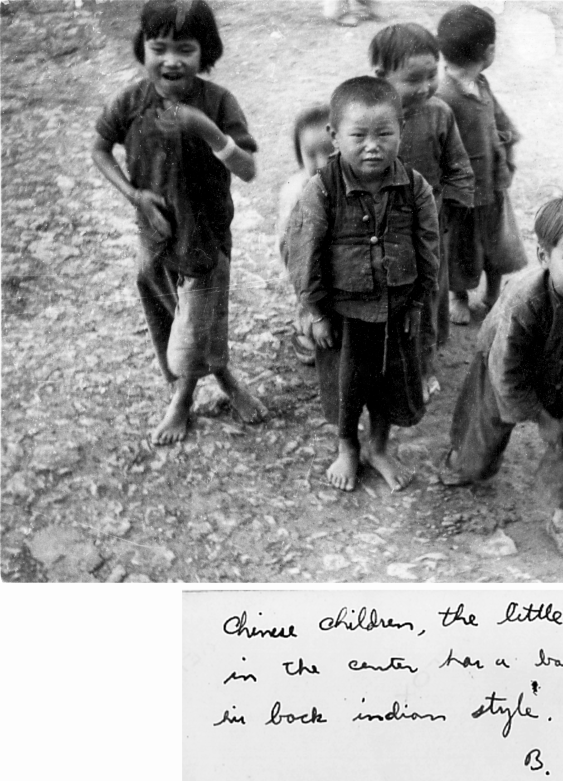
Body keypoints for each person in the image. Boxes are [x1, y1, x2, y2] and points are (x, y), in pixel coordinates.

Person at [92, 0, 266, 446]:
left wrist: (204, 128)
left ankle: (182, 400)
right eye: (159, 47)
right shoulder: (130, 101)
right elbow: (99, 148)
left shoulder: (218, 102)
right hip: (153, 237)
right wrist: (134, 195)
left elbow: (247, 169)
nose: (171, 60)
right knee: (171, 319)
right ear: (142, 49)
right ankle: (224, 377)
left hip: (206, 239)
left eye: (185, 49)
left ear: (204, 54)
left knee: (194, 327)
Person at [440, 194, 563, 569]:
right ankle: (463, 460)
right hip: (506, 364)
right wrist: (542, 416)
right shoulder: (525, 301)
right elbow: (506, 371)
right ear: (545, 258)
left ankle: (562, 519)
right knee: (479, 442)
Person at [287, 77, 440, 493]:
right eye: (359, 136)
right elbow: (303, 253)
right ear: (335, 137)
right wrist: (314, 311)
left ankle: (378, 446)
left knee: (390, 384)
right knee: (346, 387)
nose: (372, 146)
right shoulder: (320, 189)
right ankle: (347, 447)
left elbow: (428, 249)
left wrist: (417, 305)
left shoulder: (415, 188)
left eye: (384, 134)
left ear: (401, 132)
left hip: (396, 310)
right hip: (343, 317)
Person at [369, 22, 474, 401]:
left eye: (432, 75)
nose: (426, 86)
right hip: (379, 227)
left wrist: (457, 207)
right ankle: (384, 359)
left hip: (429, 226)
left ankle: (424, 365)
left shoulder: (440, 113)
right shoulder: (369, 118)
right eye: (413, 79)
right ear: (381, 77)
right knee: (384, 295)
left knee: (427, 297)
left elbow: (458, 166)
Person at [435, 3, 528, 325]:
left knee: (496, 243)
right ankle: (458, 296)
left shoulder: (481, 83)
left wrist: (509, 140)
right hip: (461, 196)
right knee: (460, 249)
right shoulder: (443, 96)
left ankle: (492, 293)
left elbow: (497, 118)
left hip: (492, 185)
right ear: (489, 51)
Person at [277, 104, 334, 366]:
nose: (322, 162)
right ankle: (305, 328)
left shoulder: (356, 182)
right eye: (311, 154)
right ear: (300, 157)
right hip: (308, 259)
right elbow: (289, 243)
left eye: (330, 151)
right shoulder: (296, 191)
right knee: (310, 297)